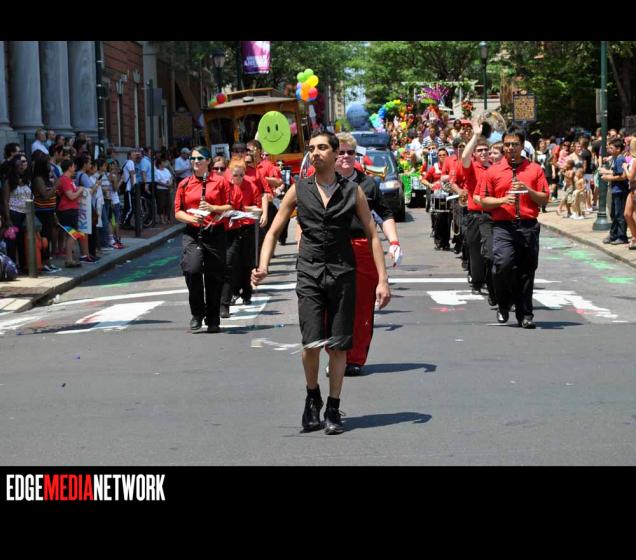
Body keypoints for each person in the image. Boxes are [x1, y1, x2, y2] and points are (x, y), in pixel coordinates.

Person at [252, 131, 391, 435]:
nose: (315, 153)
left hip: (343, 273)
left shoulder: (353, 191)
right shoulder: (298, 189)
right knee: (311, 343)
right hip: (310, 273)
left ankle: (333, 406)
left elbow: (372, 234)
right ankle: (312, 394)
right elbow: (274, 231)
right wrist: (263, 266)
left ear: (335, 153)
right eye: (312, 148)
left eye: (322, 148)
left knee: (339, 345)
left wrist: (383, 280)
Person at [329, 132, 400, 377]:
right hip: (331, 249)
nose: (345, 157)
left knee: (361, 307)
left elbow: (385, 214)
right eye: (341, 152)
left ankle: (355, 358)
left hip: (362, 247)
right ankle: (336, 355)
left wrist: (394, 242)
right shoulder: (321, 181)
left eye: (350, 152)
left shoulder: (368, 184)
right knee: (330, 306)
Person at [478, 125, 549, 329]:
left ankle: (525, 314)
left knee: (527, 271)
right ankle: (503, 302)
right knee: (503, 264)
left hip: (528, 226)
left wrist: (528, 190)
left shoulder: (534, 169)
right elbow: (483, 201)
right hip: (503, 226)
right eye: (507, 144)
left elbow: (544, 198)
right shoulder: (493, 170)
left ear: (522, 145)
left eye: (515, 144)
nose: (510, 148)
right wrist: (502, 201)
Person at [174, 146, 234, 333]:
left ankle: (213, 318)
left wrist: (213, 208)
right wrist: (191, 219)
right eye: (192, 159)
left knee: (214, 276)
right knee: (192, 270)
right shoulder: (184, 184)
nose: (195, 162)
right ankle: (197, 313)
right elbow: (178, 212)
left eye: (199, 158)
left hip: (215, 232)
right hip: (193, 233)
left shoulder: (221, 181)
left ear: (208, 161)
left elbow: (230, 205)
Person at [220, 160, 261, 317]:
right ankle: (232, 293)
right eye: (235, 175)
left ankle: (246, 292)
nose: (238, 178)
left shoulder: (251, 186)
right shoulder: (226, 186)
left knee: (246, 262)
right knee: (231, 263)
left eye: (241, 175)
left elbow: (257, 207)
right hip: (230, 228)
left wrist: (245, 210)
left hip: (247, 226)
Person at [461, 118, 496, 306]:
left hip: (492, 215)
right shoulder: (472, 166)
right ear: (475, 153)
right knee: (475, 252)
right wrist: (475, 136)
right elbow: (464, 158)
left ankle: (492, 284)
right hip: (474, 215)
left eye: (485, 150)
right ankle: (477, 281)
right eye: (479, 150)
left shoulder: (495, 168)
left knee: (490, 252)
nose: (483, 153)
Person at [1, 154, 32, 272]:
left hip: (26, 214)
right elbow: (5, 201)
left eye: (23, 163)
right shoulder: (9, 181)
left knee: (23, 241)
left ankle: (24, 265)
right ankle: (12, 266)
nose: (22, 166)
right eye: (20, 164)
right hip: (14, 213)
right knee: (13, 242)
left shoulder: (26, 179)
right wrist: (8, 218)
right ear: (14, 166)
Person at [31, 153, 61, 272]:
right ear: (43, 165)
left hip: (49, 211)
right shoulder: (38, 179)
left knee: (47, 238)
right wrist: (56, 186)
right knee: (44, 238)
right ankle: (43, 262)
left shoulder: (46, 178)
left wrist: (54, 178)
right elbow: (45, 195)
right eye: (48, 163)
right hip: (42, 213)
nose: (50, 165)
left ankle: (48, 261)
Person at [56, 159, 85, 268]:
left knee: (72, 234)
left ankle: (69, 258)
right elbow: (71, 196)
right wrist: (80, 190)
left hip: (71, 209)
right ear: (69, 167)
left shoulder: (69, 179)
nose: (74, 168)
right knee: (72, 234)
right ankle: (69, 260)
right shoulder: (65, 180)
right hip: (67, 210)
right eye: (73, 166)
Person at [600, 138, 629, 245]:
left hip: (620, 191)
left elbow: (623, 176)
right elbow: (616, 172)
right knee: (614, 214)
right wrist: (607, 173)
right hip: (615, 190)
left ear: (618, 149)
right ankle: (613, 235)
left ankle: (622, 237)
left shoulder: (620, 159)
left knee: (619, 215)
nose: (609, 150)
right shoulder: (615, 158)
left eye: (612, 148)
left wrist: (609, 178)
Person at [623, 138, 636, 250]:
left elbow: (630, 177)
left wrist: (625, 168)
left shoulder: (635, 160)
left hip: (635, 188)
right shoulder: (633, 159)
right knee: (627, 214)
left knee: (634, 215)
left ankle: (635, 238)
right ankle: (634, 237)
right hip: (632, 188)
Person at [121, 151, 138, 228]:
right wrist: (133, 186)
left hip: (127, 188)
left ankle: (126, 223)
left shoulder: (126, 162)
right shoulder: (130, 162)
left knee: (127, 206)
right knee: (130, 207)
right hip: (129, 188)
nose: (135, 156)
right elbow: (132, 174)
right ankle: (124, 222)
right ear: (129, 156)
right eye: (133, 155)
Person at [154, 156, 173, 224]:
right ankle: (161, 219)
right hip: (161, 190)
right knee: (161, 204)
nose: (165, 163)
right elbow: (157, 181)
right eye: (163, 162)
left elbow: (170, 177)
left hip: (167, 189)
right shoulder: (157, 171)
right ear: (159, 164)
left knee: (168, 204)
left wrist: (170, 183)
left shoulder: (166, 170)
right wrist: (166, 185)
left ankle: (166, 218)